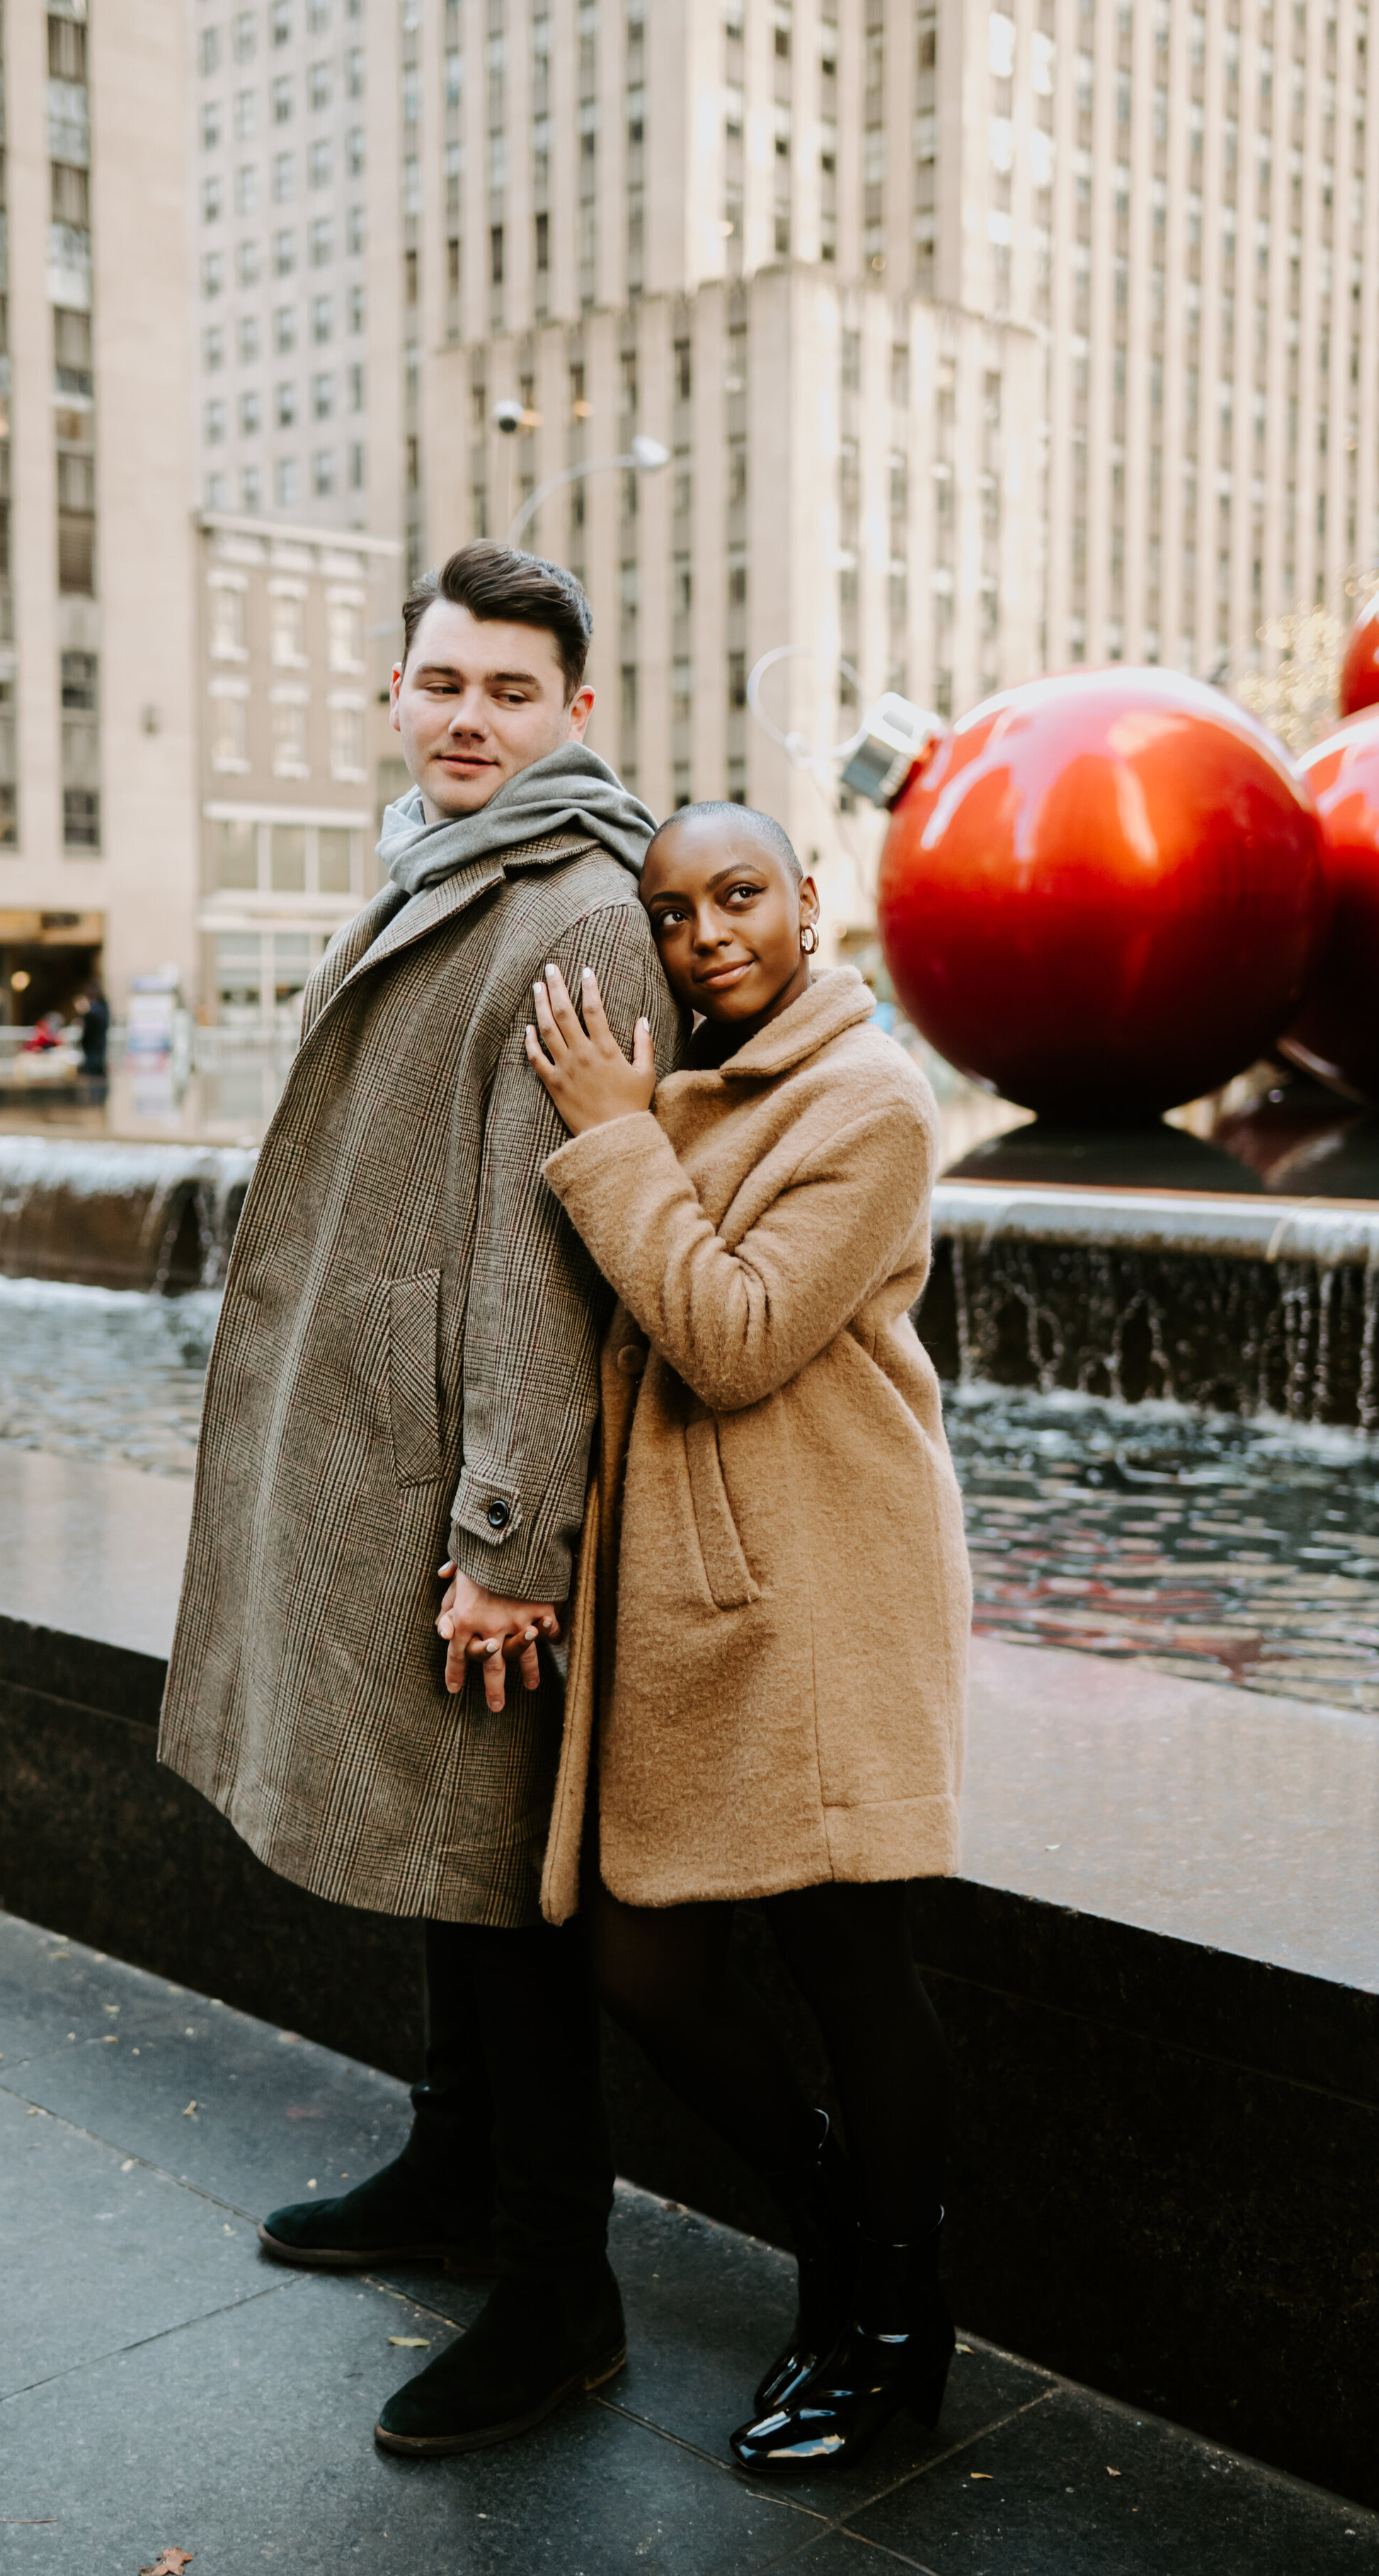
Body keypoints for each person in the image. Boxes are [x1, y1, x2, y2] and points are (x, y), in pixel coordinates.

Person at [156, 544, 682, 2456]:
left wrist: (505, 1546)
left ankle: (563, 2290)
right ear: (403, 692)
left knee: (502, 1889)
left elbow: (554, 1260)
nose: (470, 717)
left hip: (472, 1491)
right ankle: (454, 2173)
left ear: (577, 713)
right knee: (445, 1871)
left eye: (510, 693)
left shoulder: (584, 913)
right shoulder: (438, 861)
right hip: (387, 1451)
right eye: (443, 682)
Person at [525, 801, 974, 2476]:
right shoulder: (690, 1075)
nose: (707, 931)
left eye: (739, 895)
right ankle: (843, 2236)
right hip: (711, 1592)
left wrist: (611, 1137)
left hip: (831, 1581)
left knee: (857, 1968)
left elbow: (733, 1333)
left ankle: (901, 2327)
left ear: (808, 898)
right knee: (646, 1955)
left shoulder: (871, 1099)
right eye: (672, 908)